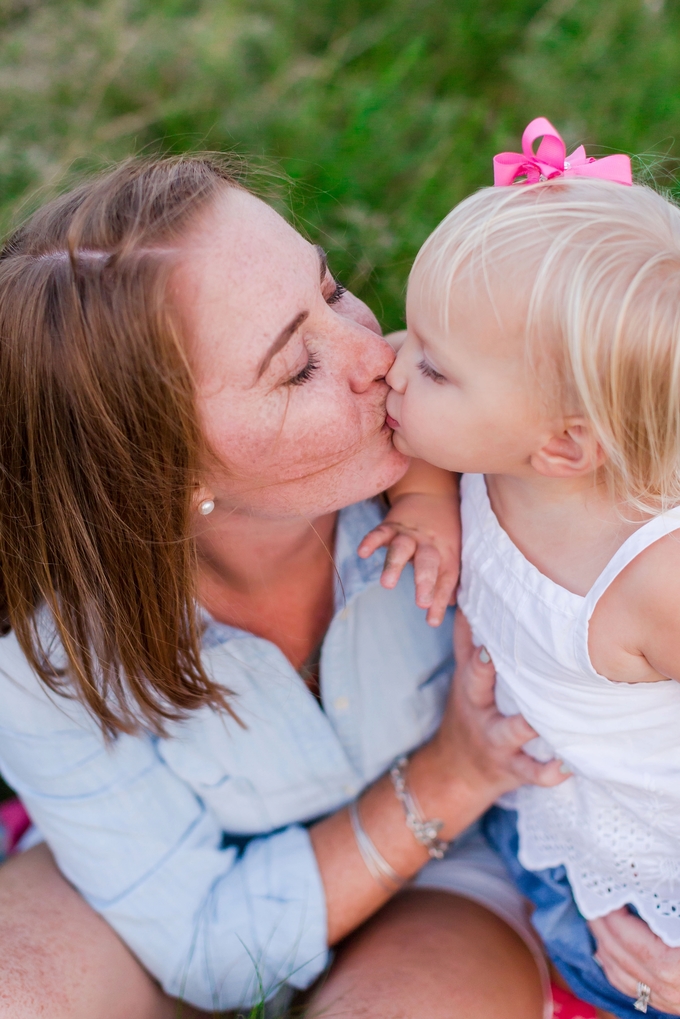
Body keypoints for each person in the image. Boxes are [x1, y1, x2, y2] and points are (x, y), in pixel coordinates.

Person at [0, 155, 569, 1019]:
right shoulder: (42, 655)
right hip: (159, 891)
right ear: (159, 477)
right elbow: (196, 939)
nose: (379, 356)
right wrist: (452, 770)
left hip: (456, 866)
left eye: (333, 289)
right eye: (298, 367)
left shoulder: (484, 454)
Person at [382, 117, 680, 1018]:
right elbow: (441, 434)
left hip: (647, 867)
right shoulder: (488, 443)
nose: (388, 359)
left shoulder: (651, 580)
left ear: (560, 446)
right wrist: (426, 498)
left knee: (632, 971)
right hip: (548, 806)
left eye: (431, 366)